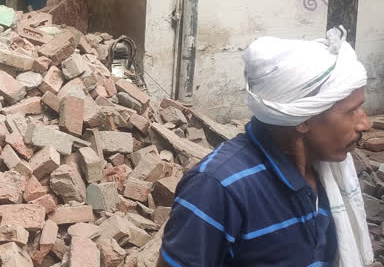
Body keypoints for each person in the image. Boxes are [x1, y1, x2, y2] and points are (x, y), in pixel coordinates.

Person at [158, 27, 372, 267]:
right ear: (303, 119)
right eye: (352, 111)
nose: (365, 123)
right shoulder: (217, 188)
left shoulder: (326, 175)